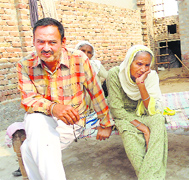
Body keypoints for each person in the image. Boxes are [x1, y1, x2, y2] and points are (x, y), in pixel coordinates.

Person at [17, 17, 114, 180]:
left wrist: (105, 122)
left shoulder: (79, 59)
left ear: (63, 42)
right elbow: (28, 99)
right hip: (42, 119)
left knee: (28, 148)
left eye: (52, 42)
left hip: (72, 121)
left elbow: (95, 91)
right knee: (35, 120)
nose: (46, 48)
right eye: (40, 42)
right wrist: (54, 108)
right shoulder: (25, 65)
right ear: (33, 41)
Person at [106, 45, 168, 179]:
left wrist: (141, 84)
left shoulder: (150, 77)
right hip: (124, 117)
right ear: (129, 62)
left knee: (158, 120)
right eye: (139, 64)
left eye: (147, 65)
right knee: (132, 142)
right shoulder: (115, 74)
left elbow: (151, 109)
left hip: (143, 114)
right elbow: (116, 109)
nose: (143, 69)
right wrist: (143, 128)